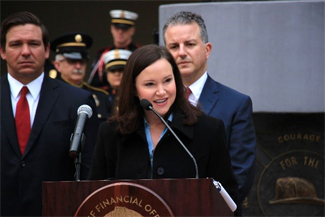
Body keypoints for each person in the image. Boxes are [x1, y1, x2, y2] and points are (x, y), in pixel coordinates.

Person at [88, 44, 238, 204]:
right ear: (133, 89)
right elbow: (95, 199)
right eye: (150, 84)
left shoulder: (209, 130)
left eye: (167, 80)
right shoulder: (111, 133)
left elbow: (228, 201)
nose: (161, 91)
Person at [0, 11, 98, 216]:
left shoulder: (77, 101)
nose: (25, 52)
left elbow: (90, 171)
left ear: (46, 51)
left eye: (34, 44)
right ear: (2, 51)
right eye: (16, 44)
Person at [163, 11, 256, 215]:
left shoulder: (236, 104)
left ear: (207, 50)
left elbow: (240, 176)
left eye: (189, 44)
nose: (181, 52)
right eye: (173, 47)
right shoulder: (156, 104)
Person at [51, 32, 110, 121]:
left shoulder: (100, 96)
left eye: (82, 62)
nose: (78, 66)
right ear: (57, 65)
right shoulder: (49, 93)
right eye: (72, 61)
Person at [88, 9, 141, 90]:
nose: (120, 32)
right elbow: (94, 85)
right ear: (112, 28)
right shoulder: (103, 54)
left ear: (132, 30)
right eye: (117, 28)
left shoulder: (140, 53)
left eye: (124, 29)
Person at [102, 48, 132, 115]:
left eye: (121, 70)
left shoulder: (136, 94)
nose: (117, 74)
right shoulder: (100, 96)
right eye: (113, 71)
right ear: (106, 74)